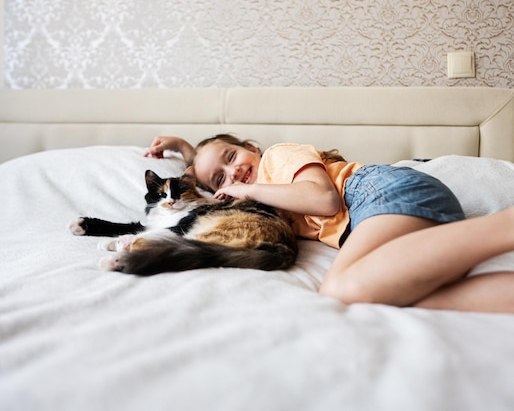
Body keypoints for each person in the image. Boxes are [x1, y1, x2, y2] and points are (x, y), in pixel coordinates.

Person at [145, 134, 514, 314]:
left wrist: (248, 186)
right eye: (223, 179)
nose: (234, 171)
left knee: (339, 287)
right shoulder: (260, 195)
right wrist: (181, 148)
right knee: (401, 296)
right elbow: (204, 171)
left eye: (232, 156)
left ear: (251, 146)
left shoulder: (277, 158)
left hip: (381, 192)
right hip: (396, 220)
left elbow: (325, 200)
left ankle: (503, 226)